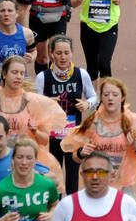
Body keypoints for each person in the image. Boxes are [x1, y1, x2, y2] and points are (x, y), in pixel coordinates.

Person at [64, 76, 136, 191]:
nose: (110, 98)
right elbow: (76, 158)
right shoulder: (92, 123)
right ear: (101, 98)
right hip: (98, 182)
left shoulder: (132, 122)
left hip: (126, 183)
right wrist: (81, 153)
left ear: (122, 97)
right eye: (106, 94)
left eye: (115, 94)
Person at [36, 36, 96, 192]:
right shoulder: (43, 77)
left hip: (73, 134)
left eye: (66, 52)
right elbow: (33, 103)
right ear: (51, 54)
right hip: (51, 136)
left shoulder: (81, 74)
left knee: (73, 177)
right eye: (59, 53)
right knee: (52, 176)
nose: (63, 57)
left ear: (72, 53)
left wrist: (87, 103)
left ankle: (72, 211)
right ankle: (54, 210)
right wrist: (47, 102)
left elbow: (93, 96)